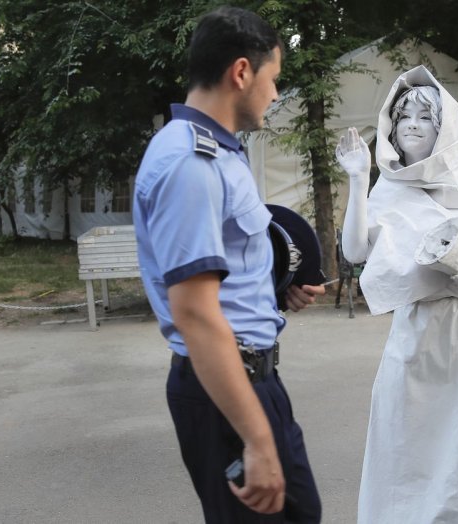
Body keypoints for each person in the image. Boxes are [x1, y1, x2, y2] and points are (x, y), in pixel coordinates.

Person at [132, 7, 324, 522]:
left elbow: (226, 271)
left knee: (301, 514)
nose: (276, 95)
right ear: (241, 73)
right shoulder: (190, 165)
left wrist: (276, 292)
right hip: (225, 390)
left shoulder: (221, 154)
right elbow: (194, 313)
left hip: (252, 378)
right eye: (273, 79)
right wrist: (257, 440)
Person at [336, 65, 458, 523]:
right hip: (417, 332)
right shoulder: (389, 189)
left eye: (424, 117)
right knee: (411, 438)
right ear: (392, 130)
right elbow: (355, 250)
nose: (412, 125)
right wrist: (357, 181)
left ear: (445, 127)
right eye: (403, 118)